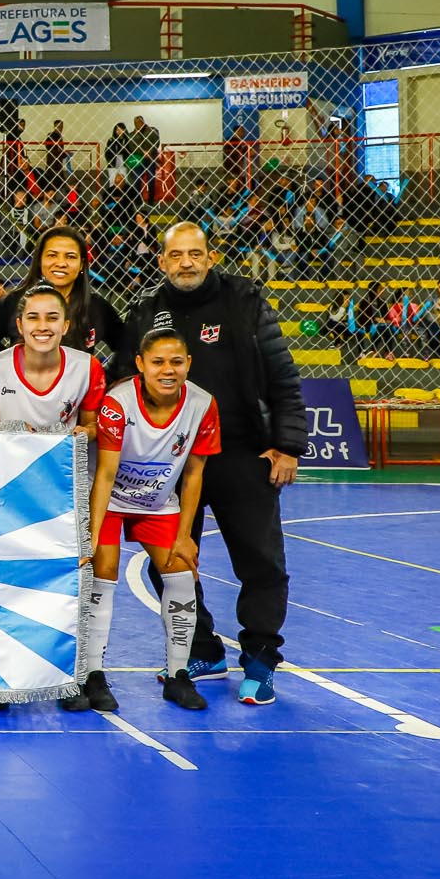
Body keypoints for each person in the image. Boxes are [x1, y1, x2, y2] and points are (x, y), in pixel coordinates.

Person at [118, 222, 304, 704]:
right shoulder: (146, 313)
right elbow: (125, 383)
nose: (186, 262)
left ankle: (261, 660)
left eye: (194, 253)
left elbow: (283, 376)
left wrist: (288, 444)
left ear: (210, 256)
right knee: (171, 559)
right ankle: (202, 649)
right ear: (162, 261)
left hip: (245, 453)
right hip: (171, 464)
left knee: (261, 562)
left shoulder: (245, 302)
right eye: (176, 255)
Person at [79, 328, 223, 714]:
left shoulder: (202, 404)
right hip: (109, 499)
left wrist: (185, 535)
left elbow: (194, 474)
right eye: (158, 362)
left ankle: (178, 676)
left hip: (158, 503)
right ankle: (92, 674)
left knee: (181, 573)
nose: (168, 370)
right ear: (141, 365)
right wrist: (92, 532)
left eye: (177, 362)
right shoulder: (117, 403)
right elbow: (106, 474)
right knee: (102, 571)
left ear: (188, 364)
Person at [0, 285, 105, 436]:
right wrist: (10, 431)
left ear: (65, 326)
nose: (42, 326)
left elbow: (92, 424)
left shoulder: (87, 367)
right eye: (33, 317)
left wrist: (87, 432)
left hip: (60, 458)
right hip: (6, 457)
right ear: (20, 326)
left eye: (52, 318)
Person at [0, 228, 126, 359]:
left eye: (70, 257)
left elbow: (127, 349)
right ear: (40, 260)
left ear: (82, 264)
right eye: (52, 255)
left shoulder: (97, 307)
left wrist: (104, 378)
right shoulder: (14, 301)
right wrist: (7, 368)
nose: (61, 263)